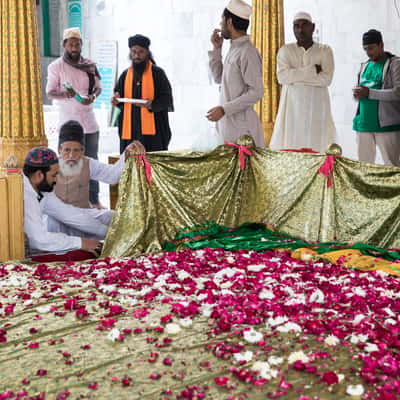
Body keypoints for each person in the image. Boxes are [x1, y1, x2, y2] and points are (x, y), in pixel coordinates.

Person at [46, 120, 145, 236]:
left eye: (76, 150)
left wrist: (126, 153)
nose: (71, 155)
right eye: (67, 150)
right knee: (51, 222)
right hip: (61, 218)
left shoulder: (88, 163)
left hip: (85, 214)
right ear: (59, 150)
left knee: (114, 217)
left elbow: (112, 176)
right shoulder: (50, 167)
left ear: (83, 151)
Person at [46, 27, 103, 208]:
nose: (74, 47)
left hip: (89, 120)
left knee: (92, 161)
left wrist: (92, 97)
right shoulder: (56, 66)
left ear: (81, 45)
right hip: (68, 122)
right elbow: (50, 92)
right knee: (67, 161)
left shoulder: (90, 65)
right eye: (70, 44)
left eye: (77, 44)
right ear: (64, 45)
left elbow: (98, 87)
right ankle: (66, 199)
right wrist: (66, 94)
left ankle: (94, 200)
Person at [270, 12, 336, 152]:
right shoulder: (285, 50)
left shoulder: (324, 50)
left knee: (318, 150)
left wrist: (295, 78)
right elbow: (282, 78)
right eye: (296, 26)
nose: (300, 30)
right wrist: (312, 70)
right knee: (292, 150)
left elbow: (326, 79)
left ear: (312, 27)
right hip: (292, 110)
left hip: (317, 109)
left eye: (304, 25)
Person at [23, 147, 102, 261]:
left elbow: (70, 215)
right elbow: (39, 240)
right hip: (14, 253)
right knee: (83, 254)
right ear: (39, 175)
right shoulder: (26, 195)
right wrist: (80, 243)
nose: (56, 180)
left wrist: (108, 231)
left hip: (32, 247)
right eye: (54, 175)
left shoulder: (41, 189)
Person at [207, 0, 264, 148]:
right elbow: (218, 78)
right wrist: (216, 50)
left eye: (222, 20)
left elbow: (257, 92)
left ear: (230, 22)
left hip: (243, 131)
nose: (220, 25)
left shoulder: (248, 52)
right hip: (228, 128)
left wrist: (224, 109)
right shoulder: (234, 49)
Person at [111, 34, 174, 153]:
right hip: (130, 132)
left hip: (153, 134)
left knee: (151, 166)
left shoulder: (158, 73)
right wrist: (116, 101)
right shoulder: (125, 75)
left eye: (141, 52)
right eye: (134, 52)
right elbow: (120, 99)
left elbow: (167, 100)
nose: (137, 55)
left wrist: (151, 105)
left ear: (147, 53)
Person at [353, 29, 400, 166]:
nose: (368, 52)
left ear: (381, 45)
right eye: (365, 49)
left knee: (392, 168)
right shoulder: (364, 65)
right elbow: (362, 92)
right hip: (363, 125)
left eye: (371, 48)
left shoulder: (394, 63)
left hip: (387, 127)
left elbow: (398, 92)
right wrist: (357, 94)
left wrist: (369, 93)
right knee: (364, 168)